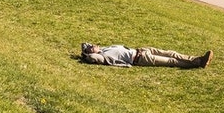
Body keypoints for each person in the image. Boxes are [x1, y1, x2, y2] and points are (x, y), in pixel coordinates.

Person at [78, 42, 211, 69]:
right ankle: (198, 62)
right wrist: (85, 56)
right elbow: (93, 59)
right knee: (171, 61)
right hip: (141, 59)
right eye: (90, 47)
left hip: (142, 50)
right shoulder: (102, 57)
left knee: (172, 53)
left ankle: (196, 59)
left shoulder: (106, 49)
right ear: (90, 52)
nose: (93, 45)